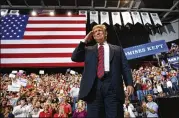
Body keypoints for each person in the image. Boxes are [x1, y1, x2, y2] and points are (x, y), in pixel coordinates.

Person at [71, 24, 134, 118]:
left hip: (113, 86)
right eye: (95, 32)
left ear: (105, 33)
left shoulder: (117, 49)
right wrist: (84, 41)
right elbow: (75, 57)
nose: (97, 32)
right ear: (93, 36)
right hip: (94, 88)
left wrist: (129, 83)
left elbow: (125, 67)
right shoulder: (88, 50)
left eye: (100, 30)